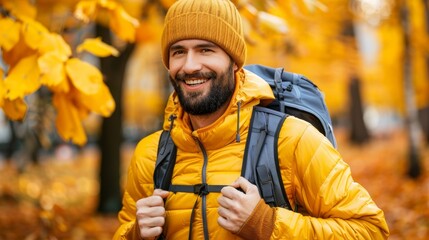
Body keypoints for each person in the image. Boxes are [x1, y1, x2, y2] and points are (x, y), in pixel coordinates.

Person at [113, 0, 390, 239]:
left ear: (234, 62)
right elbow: (124, 231)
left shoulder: (291, 140)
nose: (190, 65)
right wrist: (136, 233)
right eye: (178, 52)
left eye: (206, 49)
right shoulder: (149, 155)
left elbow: (370, 230)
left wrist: (267, 224)